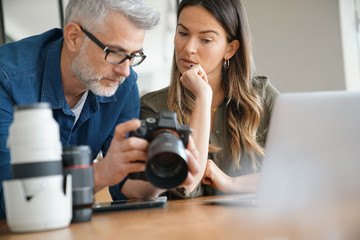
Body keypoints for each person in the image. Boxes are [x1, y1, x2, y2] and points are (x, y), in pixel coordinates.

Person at [0, 0, 200, 219]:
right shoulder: (7, 79)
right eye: (115, 52)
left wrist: (164, 174)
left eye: (134, 56)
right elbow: (8, 195)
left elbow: (125, 185)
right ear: (74, 37)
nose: (125, 71)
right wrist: (101, 173)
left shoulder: (124, 85)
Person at [136, 0, 280, 199]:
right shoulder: (153, 107)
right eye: (183, 33)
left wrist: (232, 183)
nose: (189, 48)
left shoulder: (263, 97)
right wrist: (203, 97)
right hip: (183, 228)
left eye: (206, 40)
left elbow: (301, 172)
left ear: (230, 49)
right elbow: (186, 186)